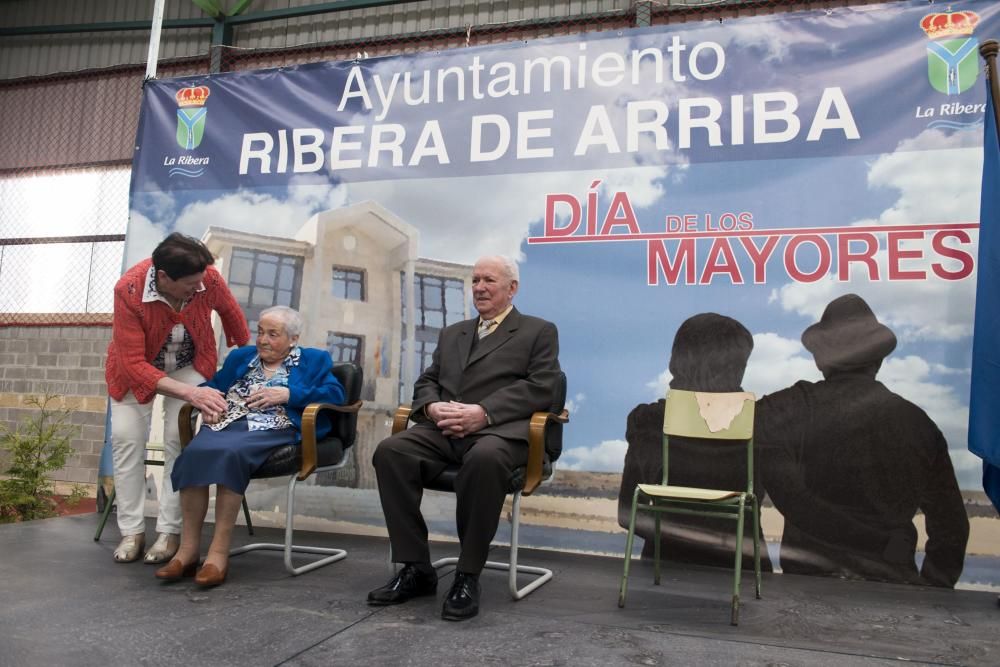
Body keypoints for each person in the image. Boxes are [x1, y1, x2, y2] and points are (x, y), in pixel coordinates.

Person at [367, 256, 561, 621]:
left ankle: (467, 575)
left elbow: (542, 388)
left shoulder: (538, 331)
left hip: (499, 432)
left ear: (512, 288)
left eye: (489, 280)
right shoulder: (452, 332)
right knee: (392, 451)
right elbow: (428, 381)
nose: (480, 288)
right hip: (444, 429)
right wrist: (433, 407)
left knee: (485, 459)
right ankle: (416, 568)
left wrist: (482, 413)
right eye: (475, 281)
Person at [756, 294, 969, 587]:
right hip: (894, 584)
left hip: (807, 585)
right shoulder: (919, 424)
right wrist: (932, 591)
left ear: (821, 358)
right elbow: (951, 528)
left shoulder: (787, 408)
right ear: (878, 359)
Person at [155, 306, 345, 587]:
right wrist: (208, 402)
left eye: (273, 334)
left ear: (293, 339)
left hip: (273, 426)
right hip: (228, 422)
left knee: (232, 453)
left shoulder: (314, 360)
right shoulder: (242, 357)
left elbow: (336, 394)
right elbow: (215, 385)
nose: (263, 340)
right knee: (195, 451)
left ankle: (218, 554)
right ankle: (188, 550)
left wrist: (290, 393)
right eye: (260, 332)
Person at [106, 233, 249, 564]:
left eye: (201, 282)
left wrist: (247, 355)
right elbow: (132, 363)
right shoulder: (128, 291)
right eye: (189, 284)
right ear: (164, 277)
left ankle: (170, 532)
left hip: (188, 364)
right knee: (127, 439)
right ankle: (132, 531)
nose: (198, 289)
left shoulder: (206, 277)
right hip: (135, 369)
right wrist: (191, 393)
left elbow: (230, 311)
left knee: (177, 439)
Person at [617, 313, 773, 571]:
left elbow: (627, 514)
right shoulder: (761, 424)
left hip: (664, 568)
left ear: (676, 360)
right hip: (743, 571)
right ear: (737, 368)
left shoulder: (648, 421)